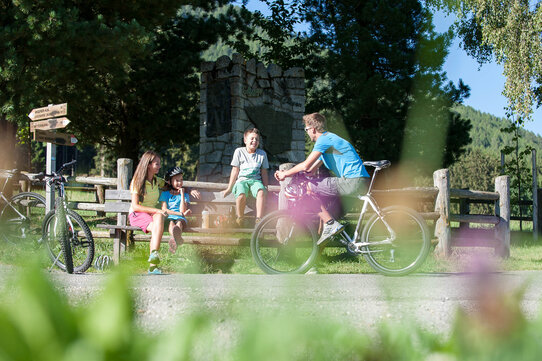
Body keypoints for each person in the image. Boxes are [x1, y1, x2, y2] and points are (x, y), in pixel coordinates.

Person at [274, 112, 370, 246]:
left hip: (352, 181)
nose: (306, 132)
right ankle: (319, 259)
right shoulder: (328, 142)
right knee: (330, 215)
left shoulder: (324, 140)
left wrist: (285, 174)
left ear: (312, 129)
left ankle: (331, 224)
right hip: (358, 182)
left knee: (307, 189)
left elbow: (306, 164)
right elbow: (310, 170)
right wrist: (294, 173)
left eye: (306, 129)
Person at [128, 150, 167, 274]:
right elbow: (135, 206)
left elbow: (172, 185)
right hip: (138, 214)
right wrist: (156, 210)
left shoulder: (156, 180)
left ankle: (153, 259)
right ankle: (153, 265)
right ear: (148, 165)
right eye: (157, 164)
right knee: (157, 227)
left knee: (159, 219)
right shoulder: (137, 181)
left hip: (151, 214)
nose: (159, 166)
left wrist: (188, 190)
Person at [222, 127, 269, 226]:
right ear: (245, 140)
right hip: (242, 180)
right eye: (252, 138)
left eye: (257, 139)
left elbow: (264, 172)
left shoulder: (262, 154)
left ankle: (259, 219)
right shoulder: (239, 152)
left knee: (261, 192)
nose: (254, 141)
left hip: (256, 181)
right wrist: (229, 188)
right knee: (241, 195)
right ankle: (240, 218)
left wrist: (266, 187)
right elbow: (235, 170)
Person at [159, 166, 200, 254]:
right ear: (170, 181)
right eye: (177, 180)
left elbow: (182, 210)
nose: (180, 182)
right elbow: (164, 209)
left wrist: (182, 194)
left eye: (181, 180)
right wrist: (180, 213)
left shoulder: (185, 195)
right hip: (169, 216)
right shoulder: (165, 194)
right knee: (170, 222)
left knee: (179, 223)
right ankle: (176, 238)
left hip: (181, 218)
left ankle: (174, 239)